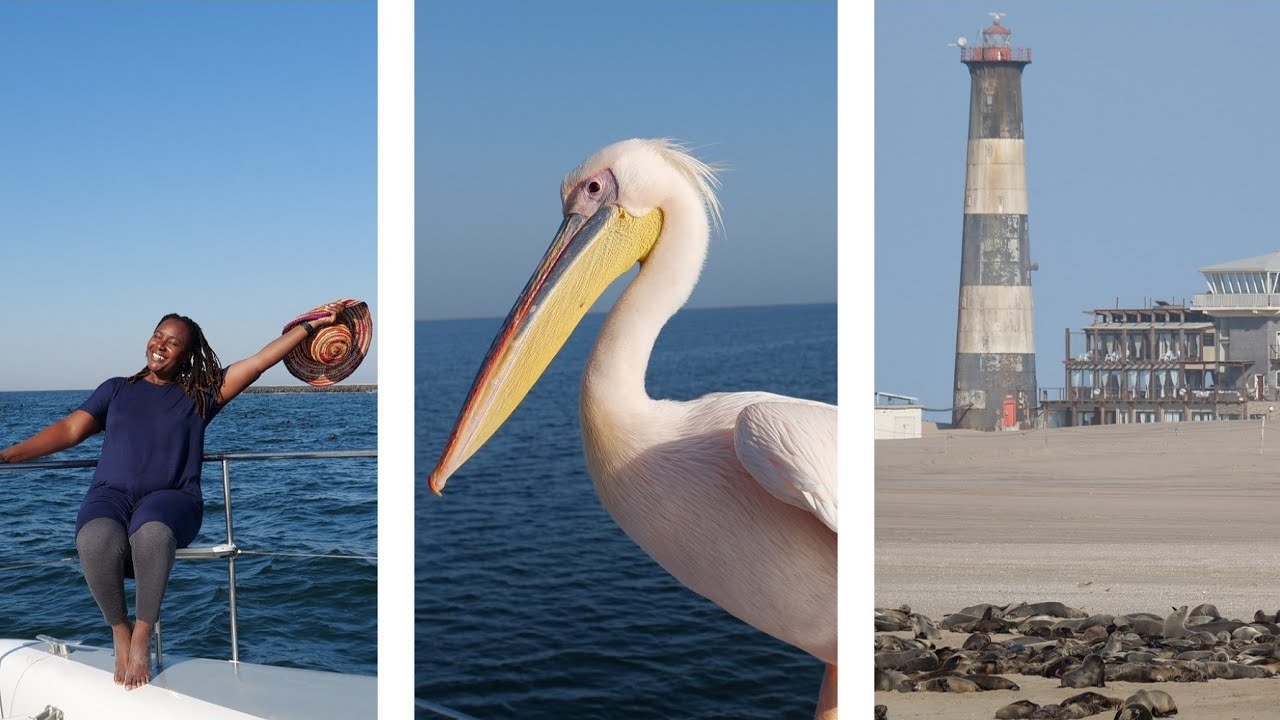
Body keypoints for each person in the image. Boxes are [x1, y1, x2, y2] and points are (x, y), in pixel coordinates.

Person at [0, 301, 347, 690]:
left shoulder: (201, 393)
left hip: (172, 496)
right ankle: (120, 629)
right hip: (110, 494)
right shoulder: (116, 389)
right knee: (94, 538)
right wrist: (7, 455)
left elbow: (259, 361)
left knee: (152, 533)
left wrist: (308, 328)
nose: (161, 345)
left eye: (173, 343)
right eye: (158, 336)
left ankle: (143, 634)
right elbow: (68, 430)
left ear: (187, 354)